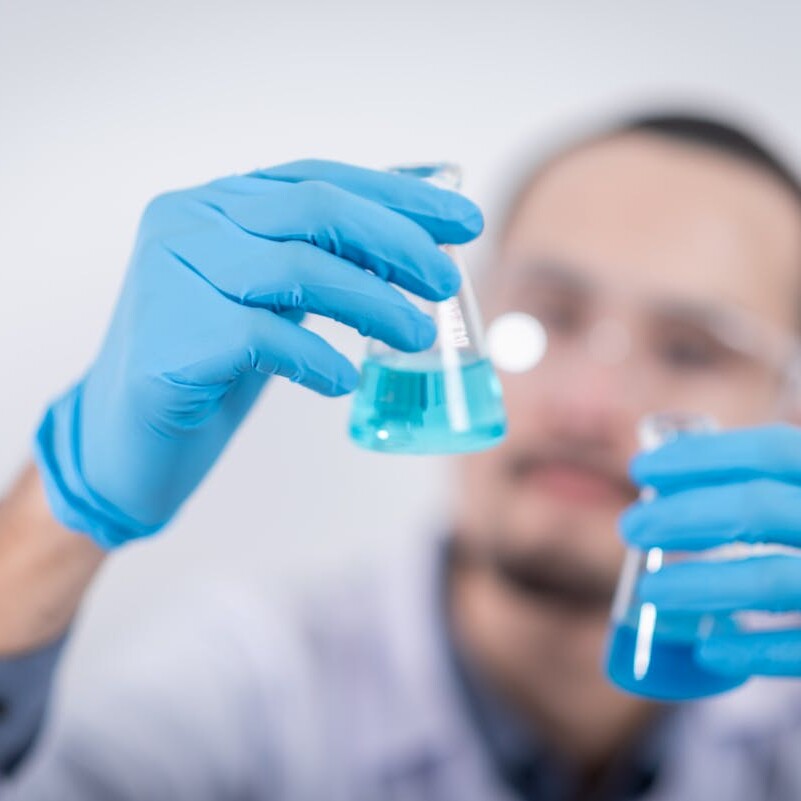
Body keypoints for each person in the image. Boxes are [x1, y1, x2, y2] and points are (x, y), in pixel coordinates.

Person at [1, 111, 801, 801]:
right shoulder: (248, 683)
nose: (585, 406)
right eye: (549, 315)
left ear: (790, 409)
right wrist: (55, 521)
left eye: (691, 351)